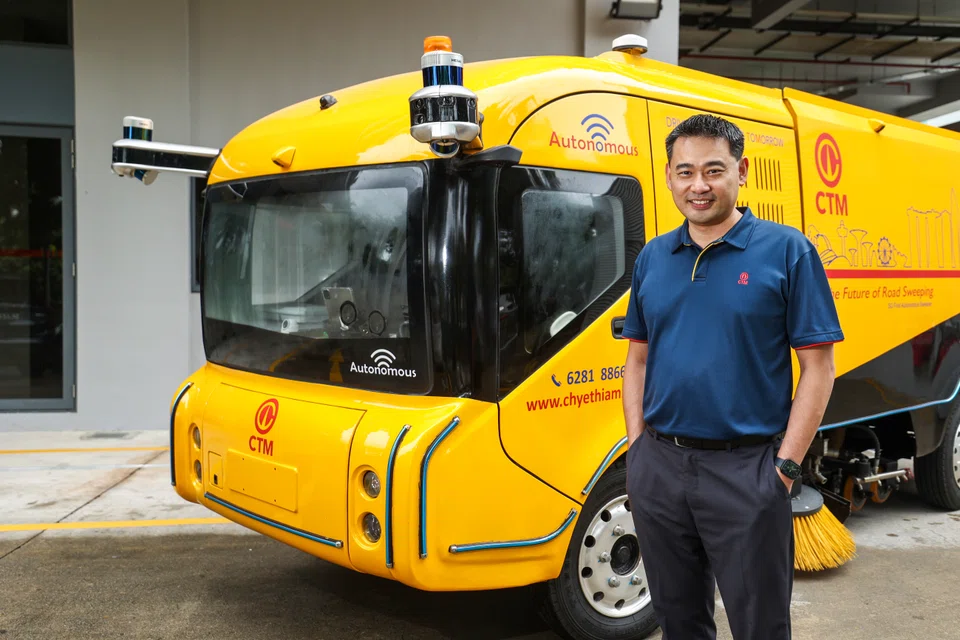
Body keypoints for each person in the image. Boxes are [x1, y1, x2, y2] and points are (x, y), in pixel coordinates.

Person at [620, 114, 843, 640]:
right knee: (678, 622)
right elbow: (638, 361)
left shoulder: (787, 251)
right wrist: (637, 452)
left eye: (714, 170)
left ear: (741, 171)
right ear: (670, 176)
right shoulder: (654, 256)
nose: (698, 185)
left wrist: (784, 468)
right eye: (685, 171)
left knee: (760, 625)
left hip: (747, 471)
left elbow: (819, 366)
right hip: (660, 466)